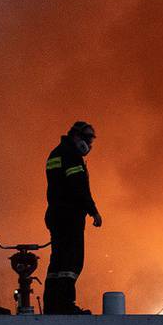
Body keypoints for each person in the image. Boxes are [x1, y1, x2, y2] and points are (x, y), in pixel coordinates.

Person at [42, 120, 101, 314]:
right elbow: (79, 187)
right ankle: (66, 305)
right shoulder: (71, 156)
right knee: (72, 261)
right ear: (76, 136)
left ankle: (52, 305)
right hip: (70, 216)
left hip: (55, 215)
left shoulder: (55, 154)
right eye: (87, 139)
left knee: (57, 262)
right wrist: (93, 211)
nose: (89, 145)